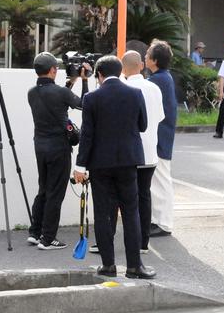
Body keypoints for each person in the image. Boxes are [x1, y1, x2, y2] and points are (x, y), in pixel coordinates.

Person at [73, 56, 156, 280]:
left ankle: (108, 266)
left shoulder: (92, 98)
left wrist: (80, 165)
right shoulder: (134, 94)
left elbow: (87, 135)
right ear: (120, 71)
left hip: (100, 164)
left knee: (102, 213)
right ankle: (134, 267)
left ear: (99, 75)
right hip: (128, 161)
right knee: (130, 212)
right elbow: (142, 125)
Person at [25, 52, 89, 250]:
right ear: (53, 70)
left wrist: (72, 81)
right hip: (58, 148)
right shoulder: (60, 93)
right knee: (55, 193)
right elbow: (84, 103)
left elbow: (57, 97)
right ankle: (48, 239)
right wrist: (84, 81)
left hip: (40, 147)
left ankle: (35, 233)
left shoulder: (32, 92)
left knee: (43, 189)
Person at [146, 39, 177, 238]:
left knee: (160, 181)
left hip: (159, 136)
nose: (145, 56)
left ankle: (163, 223)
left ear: (155, 60)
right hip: (162, 135)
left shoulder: (157, 80)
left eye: (148, 54)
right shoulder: (164, 78)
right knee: (158, 180)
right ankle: (158, 220)